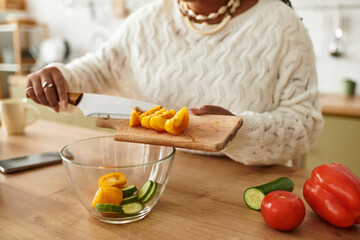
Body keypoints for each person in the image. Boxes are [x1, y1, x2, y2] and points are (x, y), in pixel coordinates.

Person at [24, 0, 324, 166]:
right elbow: (99, 68)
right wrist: (59, 78)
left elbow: (304, 124)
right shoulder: (146, 21)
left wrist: (238, 130)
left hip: (247, 195)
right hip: (156, 181)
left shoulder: (282, 25)